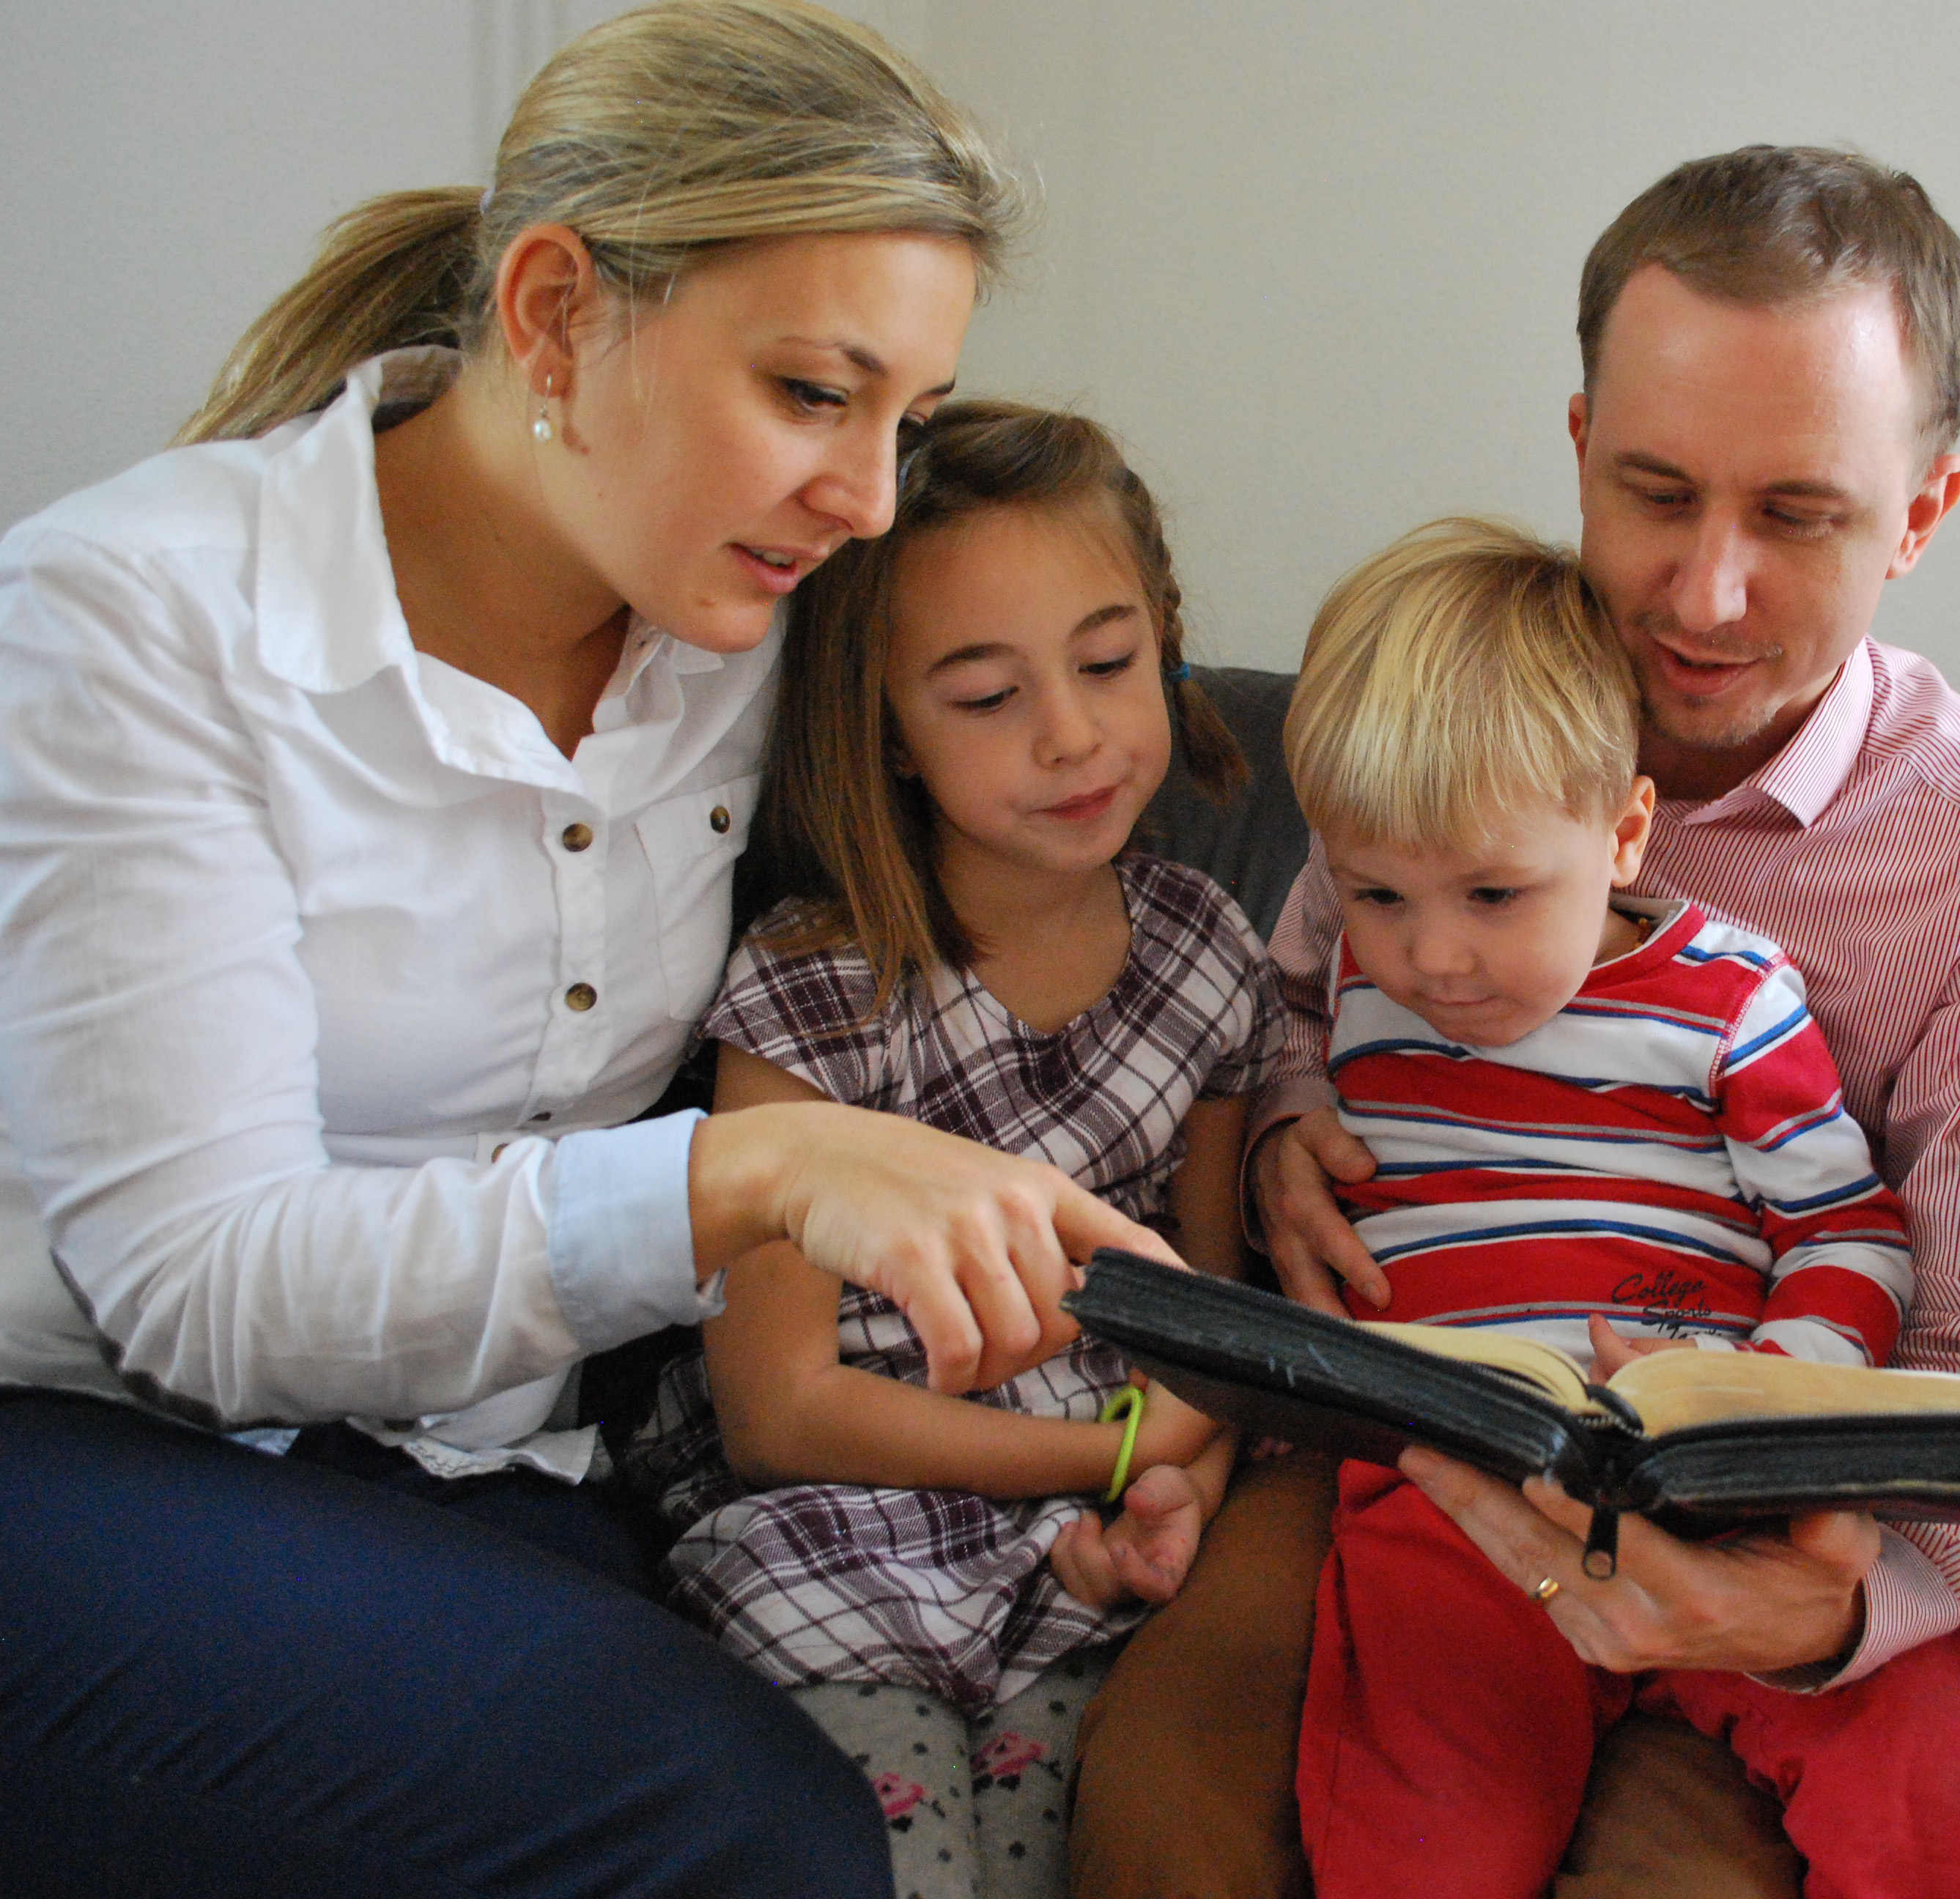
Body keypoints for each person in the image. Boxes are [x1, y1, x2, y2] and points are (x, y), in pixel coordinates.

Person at [0, 7, 1172, 1894]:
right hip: (84, 1438)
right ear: (552, 314)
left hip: (487, 1467)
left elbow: (1045, 820)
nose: (871, 499)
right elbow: (198, 1296)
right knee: (741, 1834)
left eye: (911, 420)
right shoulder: (129, 617)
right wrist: (758, 1172)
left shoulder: (748, 621)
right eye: (812, 395)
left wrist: (1306, 1077)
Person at [1073, 147, 1960, 1899]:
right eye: (1653, 493)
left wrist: (1847, 1590)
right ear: (1582, 436)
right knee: (1172, 1816)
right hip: (1415, 1437)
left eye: (1801, 516)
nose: (1705, 595)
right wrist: (1298, 1110)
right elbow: (1304, 976)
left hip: (1775, 1498)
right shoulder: (1450, 701)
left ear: (1921, 515)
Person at [1279, 517, 1960, 1899]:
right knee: (1415, 1840)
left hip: (1718, 1483)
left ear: (1625, 832)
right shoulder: (1350, 982)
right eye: (1375, 891)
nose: (1433, 956)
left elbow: (1850, 1231)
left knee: (1925, 1751)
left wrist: (1777, 1390)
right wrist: (1273, 1112)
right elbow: (1243, 1023)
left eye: (1496, 893)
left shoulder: (1730, 998)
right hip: (1453, 1505)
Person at [622, 400, 1281, 1898]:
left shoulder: (1207, 954)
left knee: (1064, 1857)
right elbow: (777, 1407)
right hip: (843, 1532)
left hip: (1092, 1559)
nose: (1071, 733)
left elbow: (1206, 1313)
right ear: (888, 732)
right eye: (985, 696)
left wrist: (1178, 1477)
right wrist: (1110, 1451)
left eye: (1108, 664)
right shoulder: (812, 989)